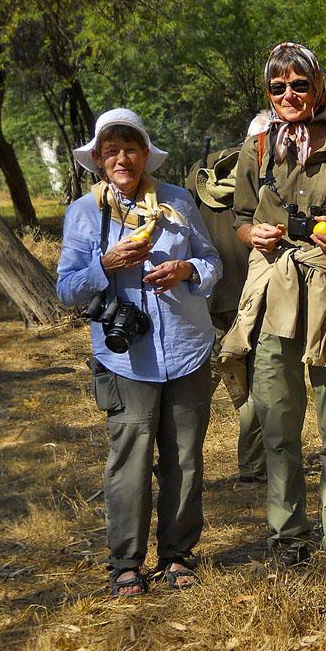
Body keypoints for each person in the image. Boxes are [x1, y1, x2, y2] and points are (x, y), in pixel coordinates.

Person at [217, 43, 326, 562]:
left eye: (299, 84)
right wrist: (254, 236)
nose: (289, 95)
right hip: (275, 295)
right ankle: (287, 535)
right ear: (268, 94)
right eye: (278, 87)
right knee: (278, 424)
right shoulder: (258, 148)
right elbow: (239, 216)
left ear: (318, 86)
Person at [57, 108, 222, 596]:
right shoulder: (86, 213)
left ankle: (177, 555)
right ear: (99, 160)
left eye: (130, 148)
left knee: (185, 459)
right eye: (111, 150)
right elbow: (66, 289)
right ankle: (125, 563)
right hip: (125, 360)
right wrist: (104, 264)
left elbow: (211, 261)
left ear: (145, 154)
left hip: (187, 349)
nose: (121, 158)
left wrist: (186, 270)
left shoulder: (177, 201)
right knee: (128, 461)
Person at [184, 114, 269, 484]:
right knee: (254, 386)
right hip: (250, 296)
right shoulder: (267, 178)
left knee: (196, 384)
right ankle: (253, 466)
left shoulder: (202, 171)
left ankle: (177, 456)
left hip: (205, 294)